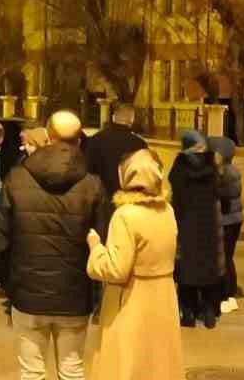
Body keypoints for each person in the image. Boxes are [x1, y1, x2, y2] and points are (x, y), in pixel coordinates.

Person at [0, 111, 103, 380]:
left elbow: (0, 240)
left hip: (28, 291)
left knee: (31, 372)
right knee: (72, 370)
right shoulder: (93, 185)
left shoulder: (17, 179)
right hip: (75, 294)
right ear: (79, 139)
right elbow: (101, 240)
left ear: (49, 136)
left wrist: (10, 283)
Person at [85, 149, 182, 380]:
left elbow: (116, 269)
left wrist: (96, 248)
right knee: (157, 364)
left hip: (131, 300)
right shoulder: (167, 210)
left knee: (126, 364)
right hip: (163, 297)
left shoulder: (126, 215)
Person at [169, 129, 224, 329]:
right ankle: (209, 314)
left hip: (185, 225)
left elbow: (175, 193)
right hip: (207, 225)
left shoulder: (179, 166)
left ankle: (188, 314)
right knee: (208, 270)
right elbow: (222, 192)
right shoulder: (213, 163)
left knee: (186, 271)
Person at [82, 103, 147, 235]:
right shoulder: (139, 143)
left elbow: (88, 169)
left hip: (101, 197)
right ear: (132, 120)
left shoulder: (95, 140)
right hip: (129, 198)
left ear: (113, 118)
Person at [210, 135, 244, 313]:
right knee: (228, 258)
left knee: (223, 259)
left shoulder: (225, 173)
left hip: (226, 221)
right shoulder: (233, 171)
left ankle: (226, 295)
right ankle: (230, 294)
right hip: (234, 220)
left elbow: (220, 195)